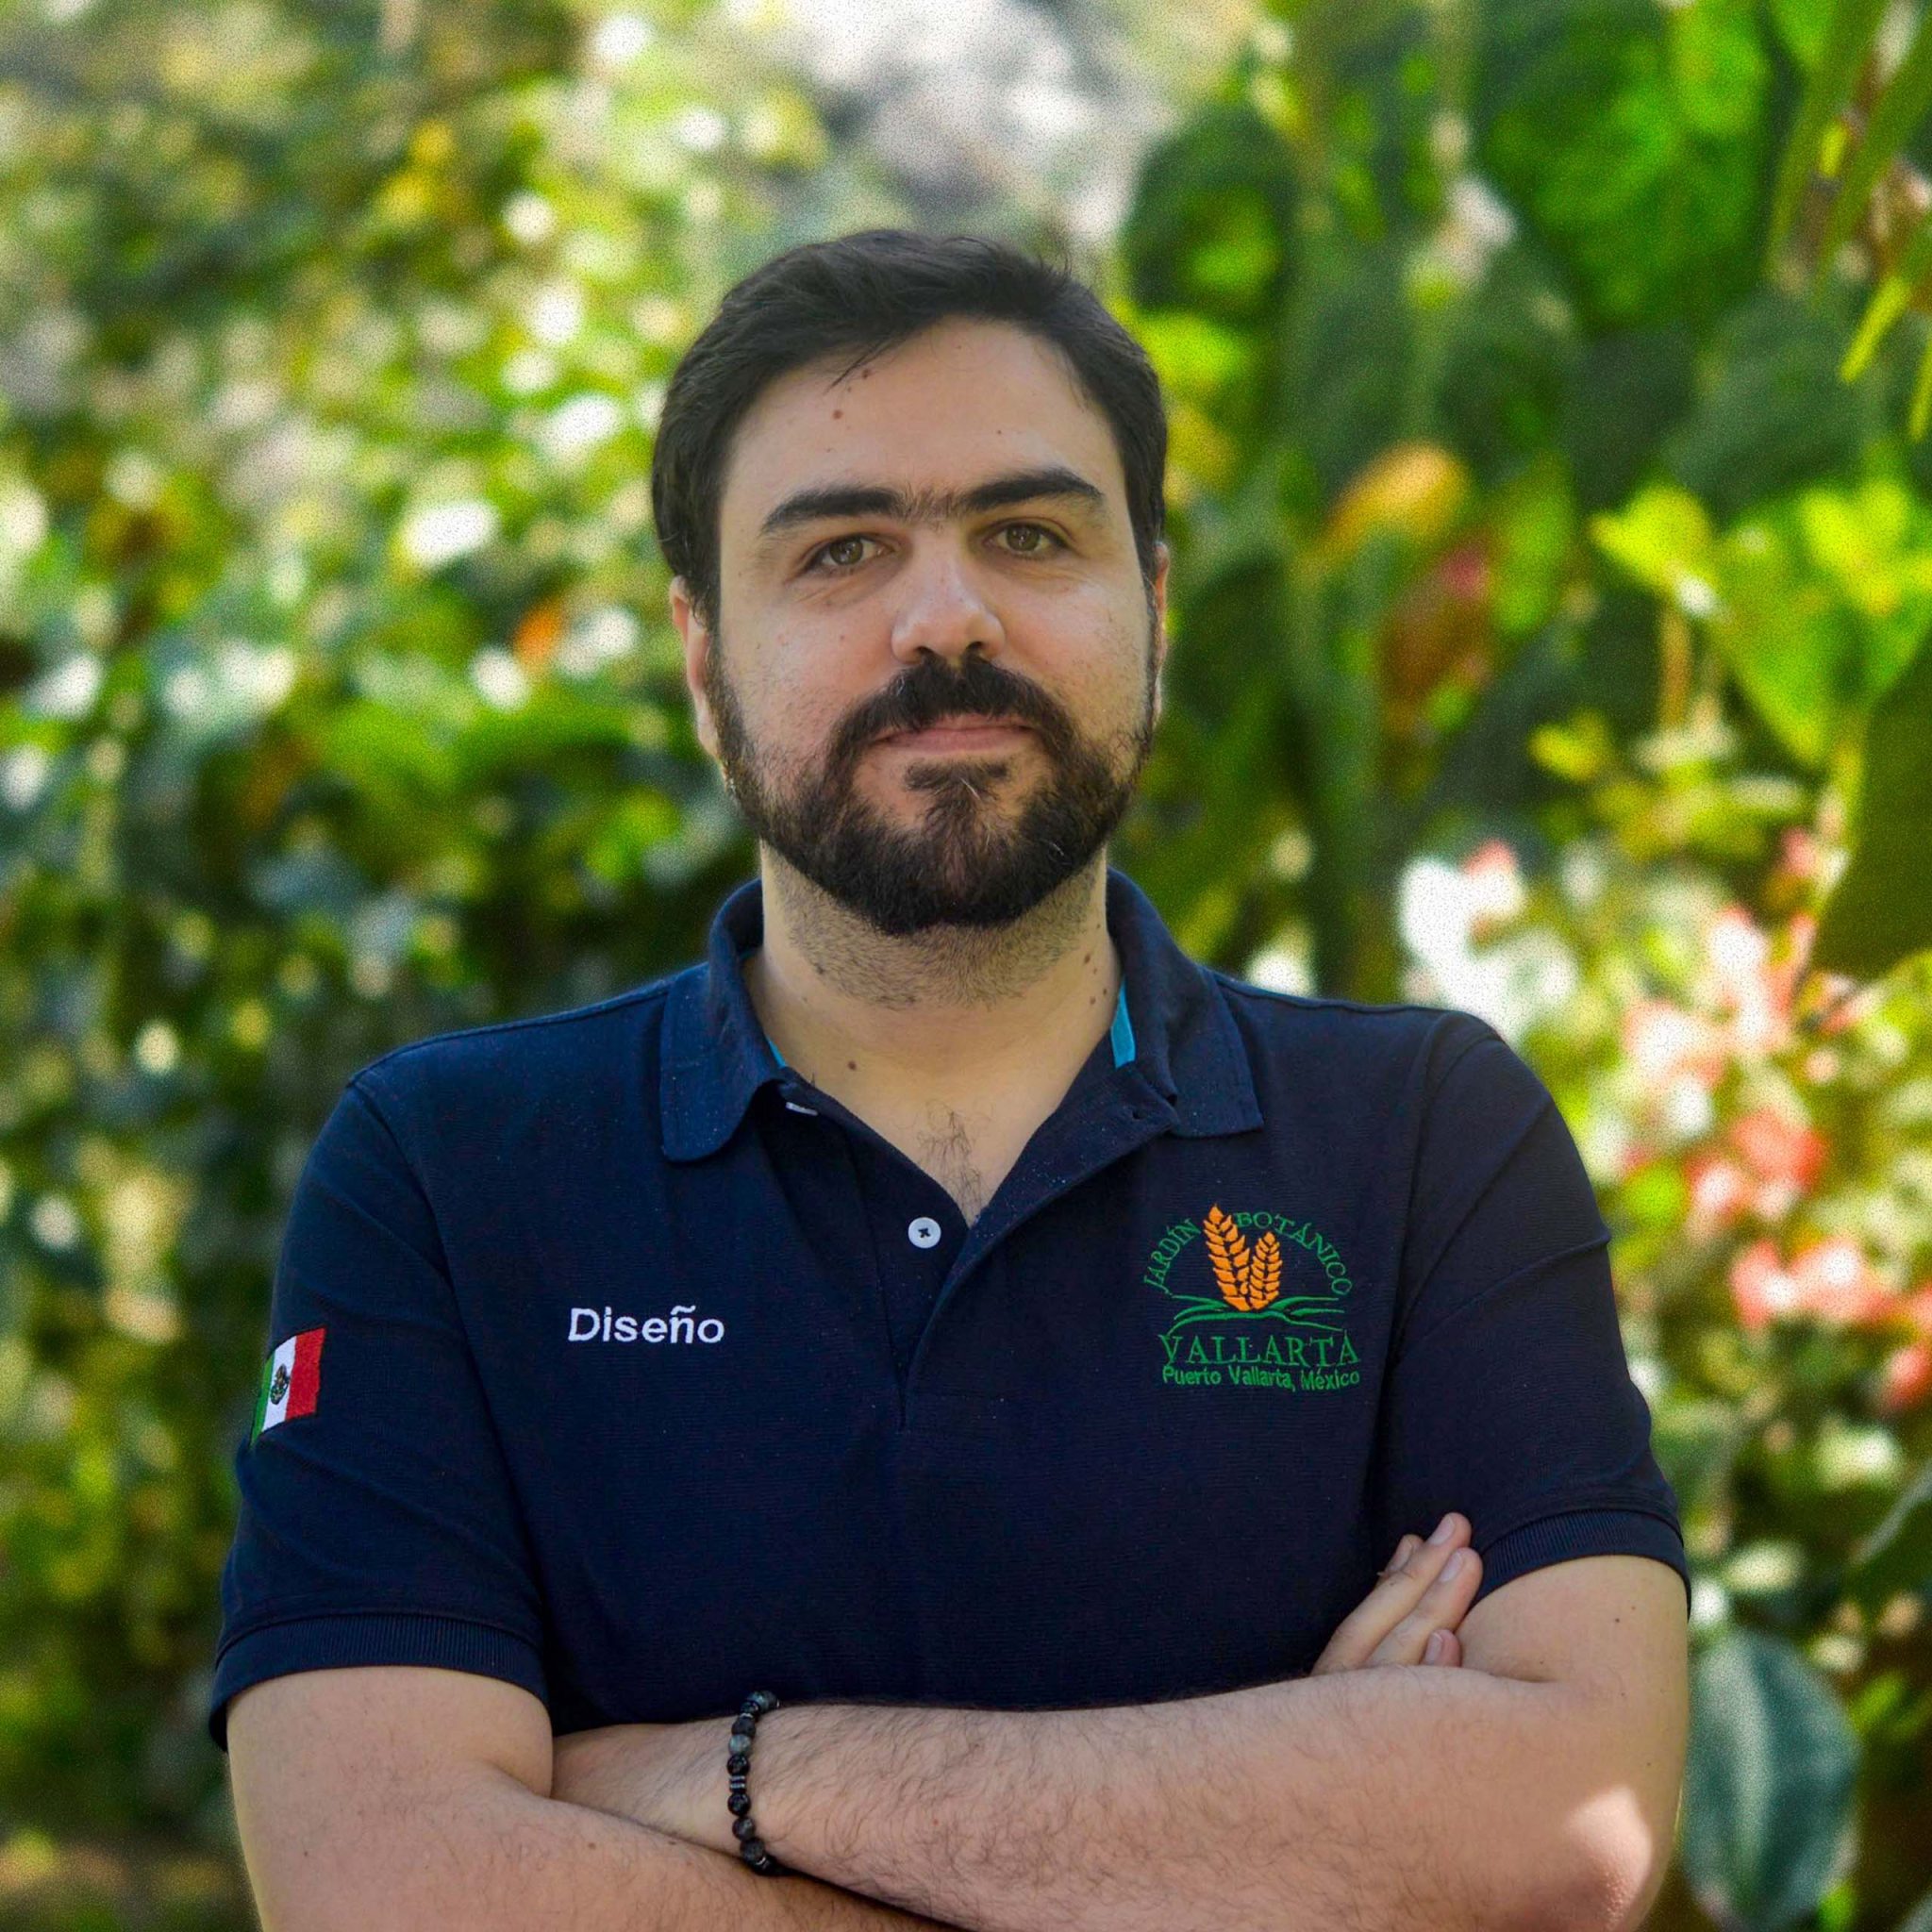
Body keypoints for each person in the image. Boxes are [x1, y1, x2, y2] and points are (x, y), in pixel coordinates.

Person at [215, 230, 1690, 1932]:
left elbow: (1568, 1829)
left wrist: (732, 1779)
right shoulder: (452, 1172)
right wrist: (1303, 1824)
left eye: (1029, 535)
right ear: (702, 657)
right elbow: (382, 1884)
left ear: (1154, 608)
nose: (949, 618)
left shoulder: (1428, 1138)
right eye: (840, 551)